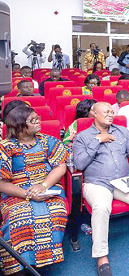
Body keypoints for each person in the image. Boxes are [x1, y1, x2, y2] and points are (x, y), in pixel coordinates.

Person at [73, 102, 129, 276]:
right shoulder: (83, 136)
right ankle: (102, 257)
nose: (110, 114)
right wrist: (97, 140)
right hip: (96, 183)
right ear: (94, 113)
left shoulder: (122, 131)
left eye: (111, 111)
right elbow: (79, 163)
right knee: (101, 207)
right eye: (105, 112)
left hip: (121, 181)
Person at [0, 105, 68, 275]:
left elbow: (60, 167)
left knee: (55, 212)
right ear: (19, 125)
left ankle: (42, 262)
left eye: (38, 118)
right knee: (19, 218)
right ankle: (18, 266)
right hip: (16, 191)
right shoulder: (5, 147)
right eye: (32, 120)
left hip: (47, 186)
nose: (38, 122)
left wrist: (43, 186)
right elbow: (1, 183)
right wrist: (28, 194)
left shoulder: (48, 141)